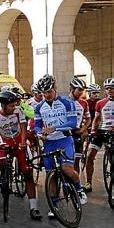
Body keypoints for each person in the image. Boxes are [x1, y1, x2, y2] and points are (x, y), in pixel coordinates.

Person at [33, 74, 87, 216]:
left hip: (64, 139)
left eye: (49, 92)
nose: (47, 95)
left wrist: (54, 128)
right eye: (44, 93)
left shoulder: (67, 102)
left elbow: (73, 123)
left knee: (67, 169)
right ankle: (54, 204)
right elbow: (37, 126)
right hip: (49, 142)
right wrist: (40, 133)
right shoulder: (39, 107)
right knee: (51, 175)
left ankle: (79, 189)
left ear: (55, 88)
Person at [0, 91, 42, 220]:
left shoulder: (18, 111)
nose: (13, 107)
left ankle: (34, 207)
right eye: (10, 106)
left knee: (27, 173)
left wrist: (23, 142)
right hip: (5, 144)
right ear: (3, 105)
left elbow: (23, 127)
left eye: (14, 105)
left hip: (18, 144)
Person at [85, 78, 114, 195]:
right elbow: (96, 119)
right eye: (107, 88)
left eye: (112, 88)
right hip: (102, 131)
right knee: (89, 155)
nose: (109, 90)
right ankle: (88, 182)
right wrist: (93, 131)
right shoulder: (100, 103)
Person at [66, 78, 91, 172]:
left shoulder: (84, 103)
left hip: (77, 132)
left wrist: (83, 129)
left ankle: (76, 185)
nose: (81, 92)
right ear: (72, 89)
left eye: (83, 90)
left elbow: (88, 119)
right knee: (66, 161)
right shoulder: (63, 101)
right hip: (65, 133)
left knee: (76, 161)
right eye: (79, 89)